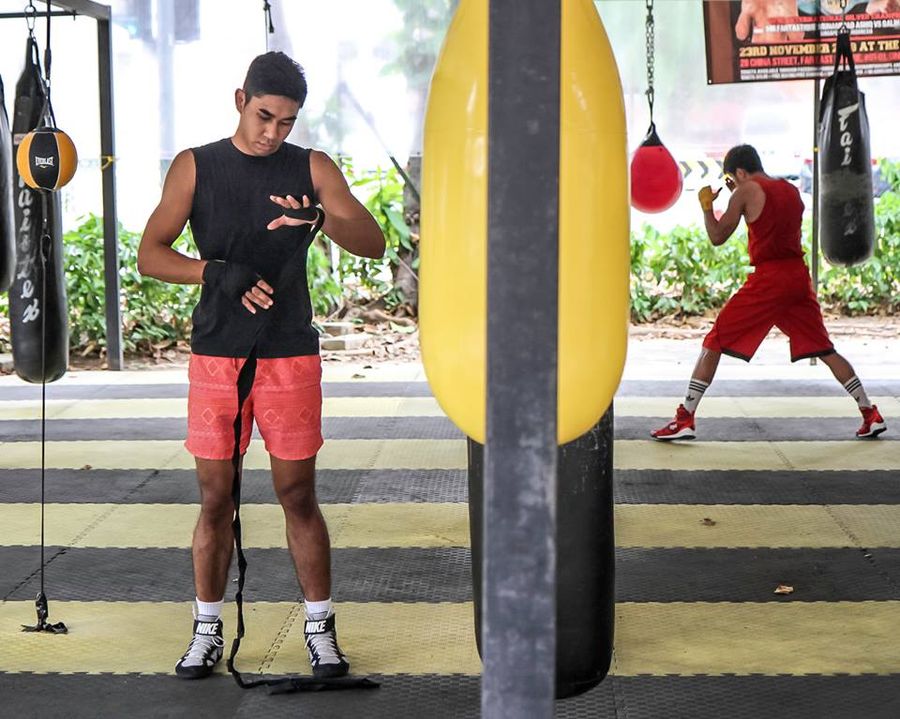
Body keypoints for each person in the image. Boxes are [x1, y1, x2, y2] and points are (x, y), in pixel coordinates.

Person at [137, 51, 385, 680]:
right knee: (215, 497)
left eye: (286, 121)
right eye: (264, 115)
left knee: (296, 493)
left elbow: (375, 243)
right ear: (240, 97)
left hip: (288, 351)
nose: (272, 131)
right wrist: (214, 272)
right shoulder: (197, 166)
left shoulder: (312, 167)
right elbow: (150, 253)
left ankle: (321, 631)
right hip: (218, 353)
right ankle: (206, 631)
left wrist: (322, 217)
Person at [651, 144, 886, 441]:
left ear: (739, 172)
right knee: (824, 347)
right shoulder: (790, 190)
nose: (732, 186)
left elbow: (717, 236)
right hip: (797, 277)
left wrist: (707, 207)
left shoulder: (745, 190)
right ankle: (870, 412)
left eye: (731, 180)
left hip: (771, 279)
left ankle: (684, 418)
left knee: (715, 339)